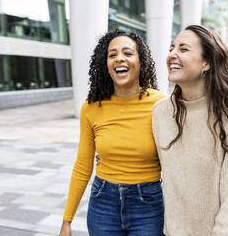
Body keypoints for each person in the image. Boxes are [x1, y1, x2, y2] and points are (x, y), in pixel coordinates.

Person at [152, 25, 228, 236]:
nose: (172, 55)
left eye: (183, 49)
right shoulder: (160, 112)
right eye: (171, 48)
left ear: (206, 63)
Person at [59, 29, 166, 236]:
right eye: (112, 55)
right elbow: (82, 165)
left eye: (127, 53)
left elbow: (175, 158)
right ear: (105, 64)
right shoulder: (91, 107)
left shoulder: (160, 104)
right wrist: (67, 221)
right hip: (103, 203)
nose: (119, 58)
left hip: (148, 205)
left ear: (140, 61)